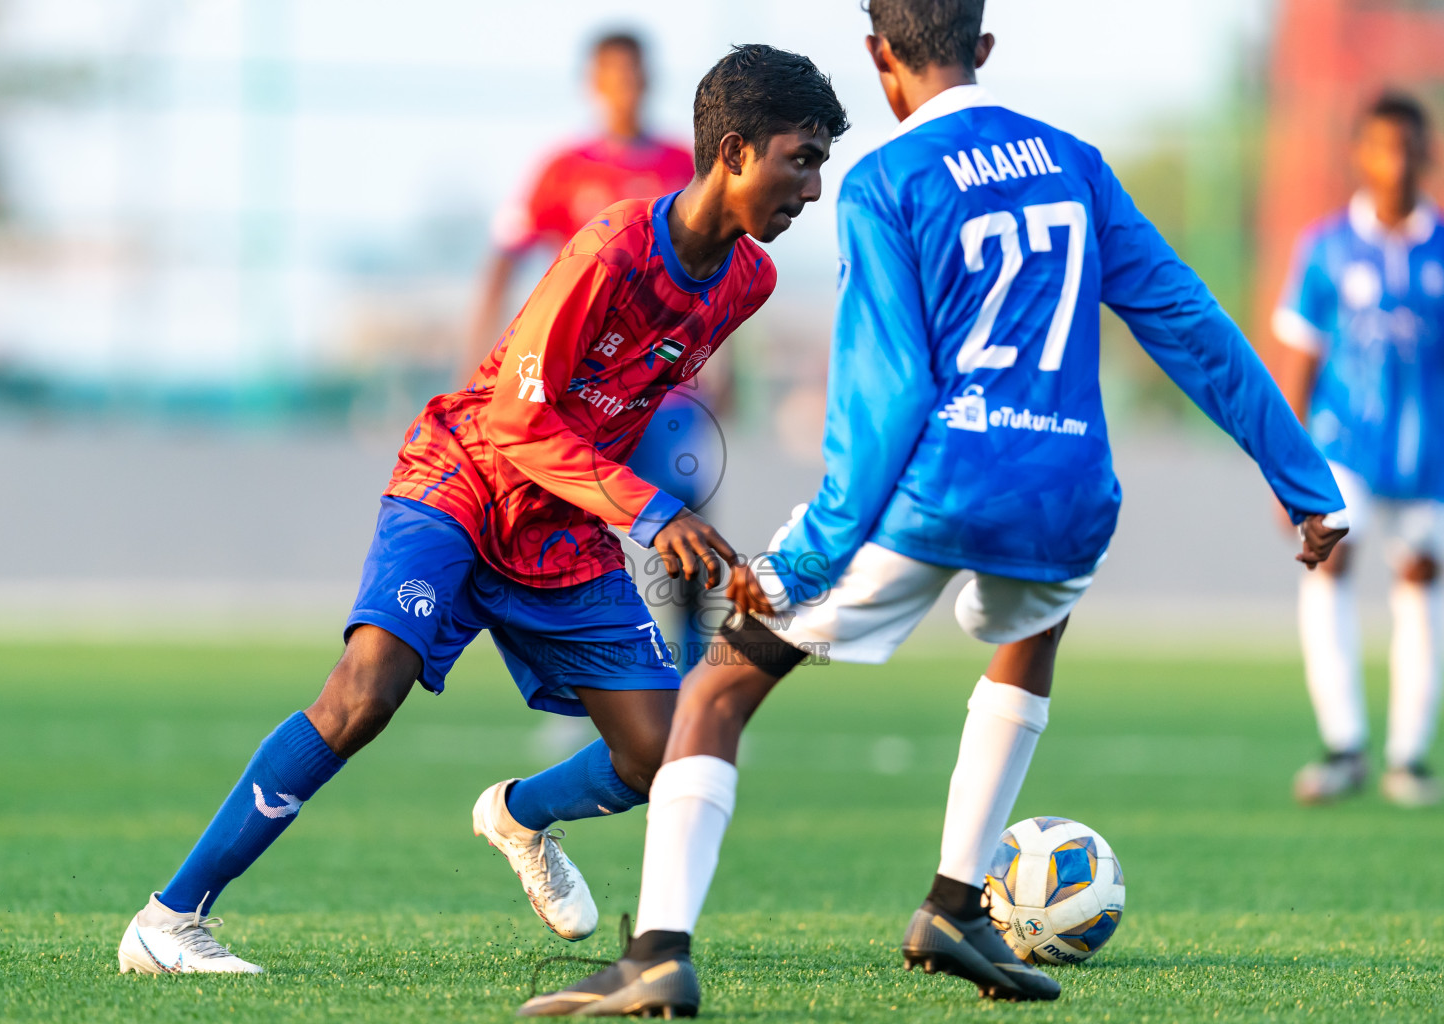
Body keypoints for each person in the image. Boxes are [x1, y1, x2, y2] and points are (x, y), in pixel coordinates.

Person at [521, 0, 1348, 1016]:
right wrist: (1303, 480)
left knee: (719, 690)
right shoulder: (1073, 161)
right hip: (1070, 495)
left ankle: (657, 951)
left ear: (879, 57)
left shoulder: (885, 180)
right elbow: (1186, 319)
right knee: (1035, 622)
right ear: (984, 50)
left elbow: (890, 396)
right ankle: (953, 903)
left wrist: (806, 555)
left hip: (939, 490)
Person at [113, 43, 847, 976]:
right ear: (736, 150)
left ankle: (518, 817)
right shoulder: (611, 249)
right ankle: (169, 920)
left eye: (820, 163)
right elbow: (515, 421)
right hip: (463, 476)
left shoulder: (750, 281)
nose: (813, 189)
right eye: (802, 158)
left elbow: (624, 398)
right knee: (364, 692)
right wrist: (653, 510)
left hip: (562, 525)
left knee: (664, 755)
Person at [471, 30, 728, 670]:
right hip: (580, 396)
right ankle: (578, 680)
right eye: (612, 74)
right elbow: (505, 260)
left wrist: (717, 362)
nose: (625, 86)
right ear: (594, 81)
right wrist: (480, 353)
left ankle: (693, 677)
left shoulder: (680, 164)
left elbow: (716, 272)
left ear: (648, 79)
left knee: (686, 518)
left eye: (635, 74)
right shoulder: (562, 169)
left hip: (663, 391)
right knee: (562, 533)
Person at [1270, 92, 1444, 808]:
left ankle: (1408, 758)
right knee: (1328, 560)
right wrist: (1287, 466)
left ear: (1426, 155)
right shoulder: (1327, 247)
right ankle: (1344, 745)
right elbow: (1302, 357)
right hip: (1344, 445)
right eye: (1382, 147)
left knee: (1420, 582)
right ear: (1361, 154)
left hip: (1429, 457)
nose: (1394, 161)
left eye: (1407, 148)